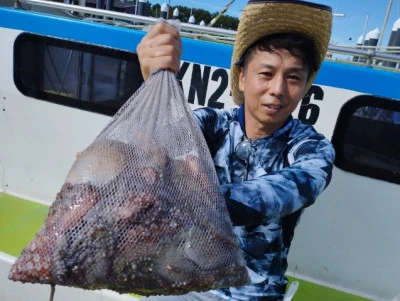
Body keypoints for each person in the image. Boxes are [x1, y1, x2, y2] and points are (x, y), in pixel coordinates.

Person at [136, 0, 335, 300]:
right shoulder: (211, 124)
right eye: (266, 74)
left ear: (305, 84)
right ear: (242, 76)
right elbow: (162, 142)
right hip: (184, 281)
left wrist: (173, 193)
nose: (278, 90)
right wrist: (155, 81)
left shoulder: (313, 150)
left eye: (293, 77)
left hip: (255, 294)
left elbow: (272, 197)